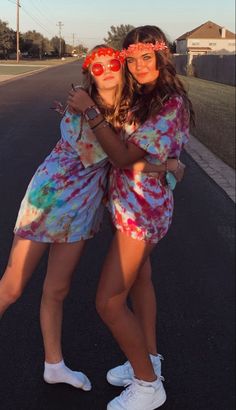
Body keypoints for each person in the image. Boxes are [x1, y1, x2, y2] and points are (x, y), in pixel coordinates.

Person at [66, 25, 194, 409]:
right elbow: (128, 151)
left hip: (144, 211)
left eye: (147, 57)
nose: (139, 66)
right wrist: (163, 165)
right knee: (140, 282)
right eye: (132, 59)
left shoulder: (170, 103)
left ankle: (147, 385)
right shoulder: (141, 97)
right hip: (130, 205)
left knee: (107, 301)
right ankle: (148, 358)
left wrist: (89, 111)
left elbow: (122, 157)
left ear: (161, 57)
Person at [0, 45, 124, 391]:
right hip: (48, 200)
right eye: (97, 67)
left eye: (112, 63)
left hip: (82, 207)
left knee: (57, 289)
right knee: (11, 286)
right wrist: (165, 164)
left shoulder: (122, 110)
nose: (106, 71)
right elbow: (109, 154)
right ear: (89, 74)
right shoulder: (81, 107)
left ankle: (54, 365)